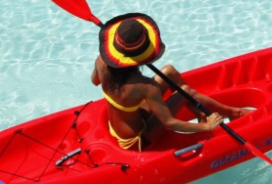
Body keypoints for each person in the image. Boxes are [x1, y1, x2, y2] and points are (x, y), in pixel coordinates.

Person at [92, 12, 248, 151]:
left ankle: (199, 112)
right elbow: (169, 123)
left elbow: (95, 81)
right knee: (185, 91)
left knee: (169, 72)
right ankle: (233, 113)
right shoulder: (146, 87)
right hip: (137, 140)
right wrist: (206, 126)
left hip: (122, 123)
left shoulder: (101, 62)